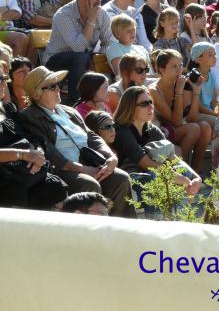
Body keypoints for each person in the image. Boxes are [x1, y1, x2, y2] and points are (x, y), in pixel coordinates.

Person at [20, 66, 136, 217]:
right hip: (62, 170)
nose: (58, 89)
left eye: (58, 85)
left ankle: (119, 229)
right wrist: (81, 169)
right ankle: (89, 234)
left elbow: (91, 136)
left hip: (88, 163)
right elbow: (47, 150)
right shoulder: (29, 116)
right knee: (89, 183)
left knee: (120, 178)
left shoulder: (69, 111)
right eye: (52, 86)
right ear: (37, 94)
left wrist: (111, 157)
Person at [112, 86, 201, 196]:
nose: (150, 107)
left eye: (151, 102)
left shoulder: (151, 129)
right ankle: (157, 212)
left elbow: (173, 157)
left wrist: (196, 177)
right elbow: (146, 164)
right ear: (130, 107)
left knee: (183, 171)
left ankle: (175, 210)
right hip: (127, 182)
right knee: (154, 177)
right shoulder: (122, 132)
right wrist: (181, 179)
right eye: (144, 104)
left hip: (148, 173)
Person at [0, 67, 68, 211]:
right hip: (7, 179)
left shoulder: (9, 109)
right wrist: (23, 155)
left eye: (4, 79)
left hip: (28, 171)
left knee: (55, 186)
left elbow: (33, 136)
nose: (4, 84)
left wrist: (37, 154)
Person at [43, 0, 113, 104]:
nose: (99, 0)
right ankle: (75, 101)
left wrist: (95, 59)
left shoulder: (102, 14)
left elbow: (109, 42)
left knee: (107, 54)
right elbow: (79, 47)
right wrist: (91, 20)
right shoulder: (63, 15)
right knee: (81, 57)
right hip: (55, 61)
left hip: (85, 58)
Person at [148, 49, 210, 171]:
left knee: (205, 127)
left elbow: (192, 118)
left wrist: (196, 91)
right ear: (162, 69)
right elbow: (175, 121)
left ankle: (196, 170)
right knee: (193, 129)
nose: (179, 70)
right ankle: (181, 170)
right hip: (161, 132)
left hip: (177, 128)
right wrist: (178, 92)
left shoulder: (181, 83)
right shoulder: (154, 90)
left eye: (181, 65)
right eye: (174, 66)